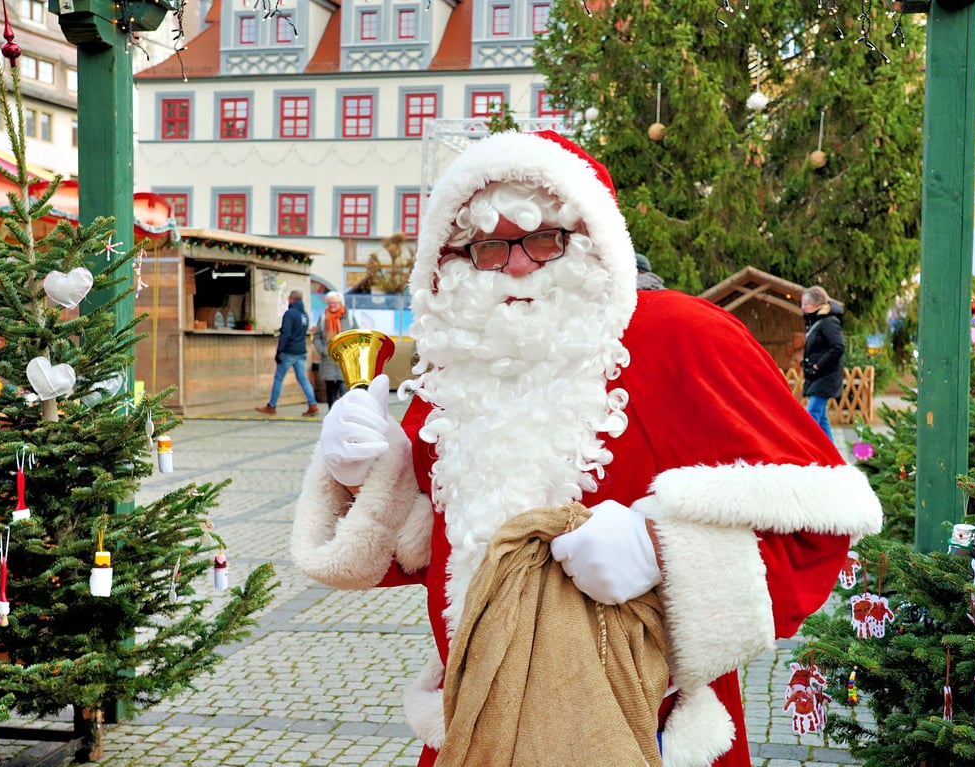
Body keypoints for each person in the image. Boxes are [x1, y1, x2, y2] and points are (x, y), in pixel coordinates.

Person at [292, 131, 881, 767]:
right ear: (456, 255)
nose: (518, 264)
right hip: (480, 723)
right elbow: (417, 553)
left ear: (595, 238)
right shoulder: (453, 369)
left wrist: (664, 551)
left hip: (650, 733)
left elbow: (819, 524)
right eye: (490, 245)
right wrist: (362, 474)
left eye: (546, 238)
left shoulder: (683, 337)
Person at [255, 289, 319, 417]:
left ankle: (271, 406)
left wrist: (279, 351)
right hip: (301, 351)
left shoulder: (290, 314)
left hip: (289, 351)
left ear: (291, 299)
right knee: (303, 379)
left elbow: (286, 333)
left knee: (278, 378)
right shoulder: (304, 315)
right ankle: (312, 404)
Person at [800, 286, 845, 441]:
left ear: (817, 304)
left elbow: (838, 347)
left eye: (806, 304)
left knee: (811, 416)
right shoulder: (817, 322)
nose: (803, 307)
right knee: (822, 419)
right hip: (818, 376)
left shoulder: (829, 322)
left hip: (825, 376)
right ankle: (832, 455)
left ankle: (805, 448)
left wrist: (818, 365)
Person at [312, 291, 355, 410]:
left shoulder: (349, 317)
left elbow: (356, 336)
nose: (332, 305)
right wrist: (323, 350)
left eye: (334, 302)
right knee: (330, 390)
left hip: (345, 360)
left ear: (340, 303)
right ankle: (332, 415)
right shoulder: (323, 317)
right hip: (328, 360)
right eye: (329, 303)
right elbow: (317, 337)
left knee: (344, 389)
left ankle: (345, 414)